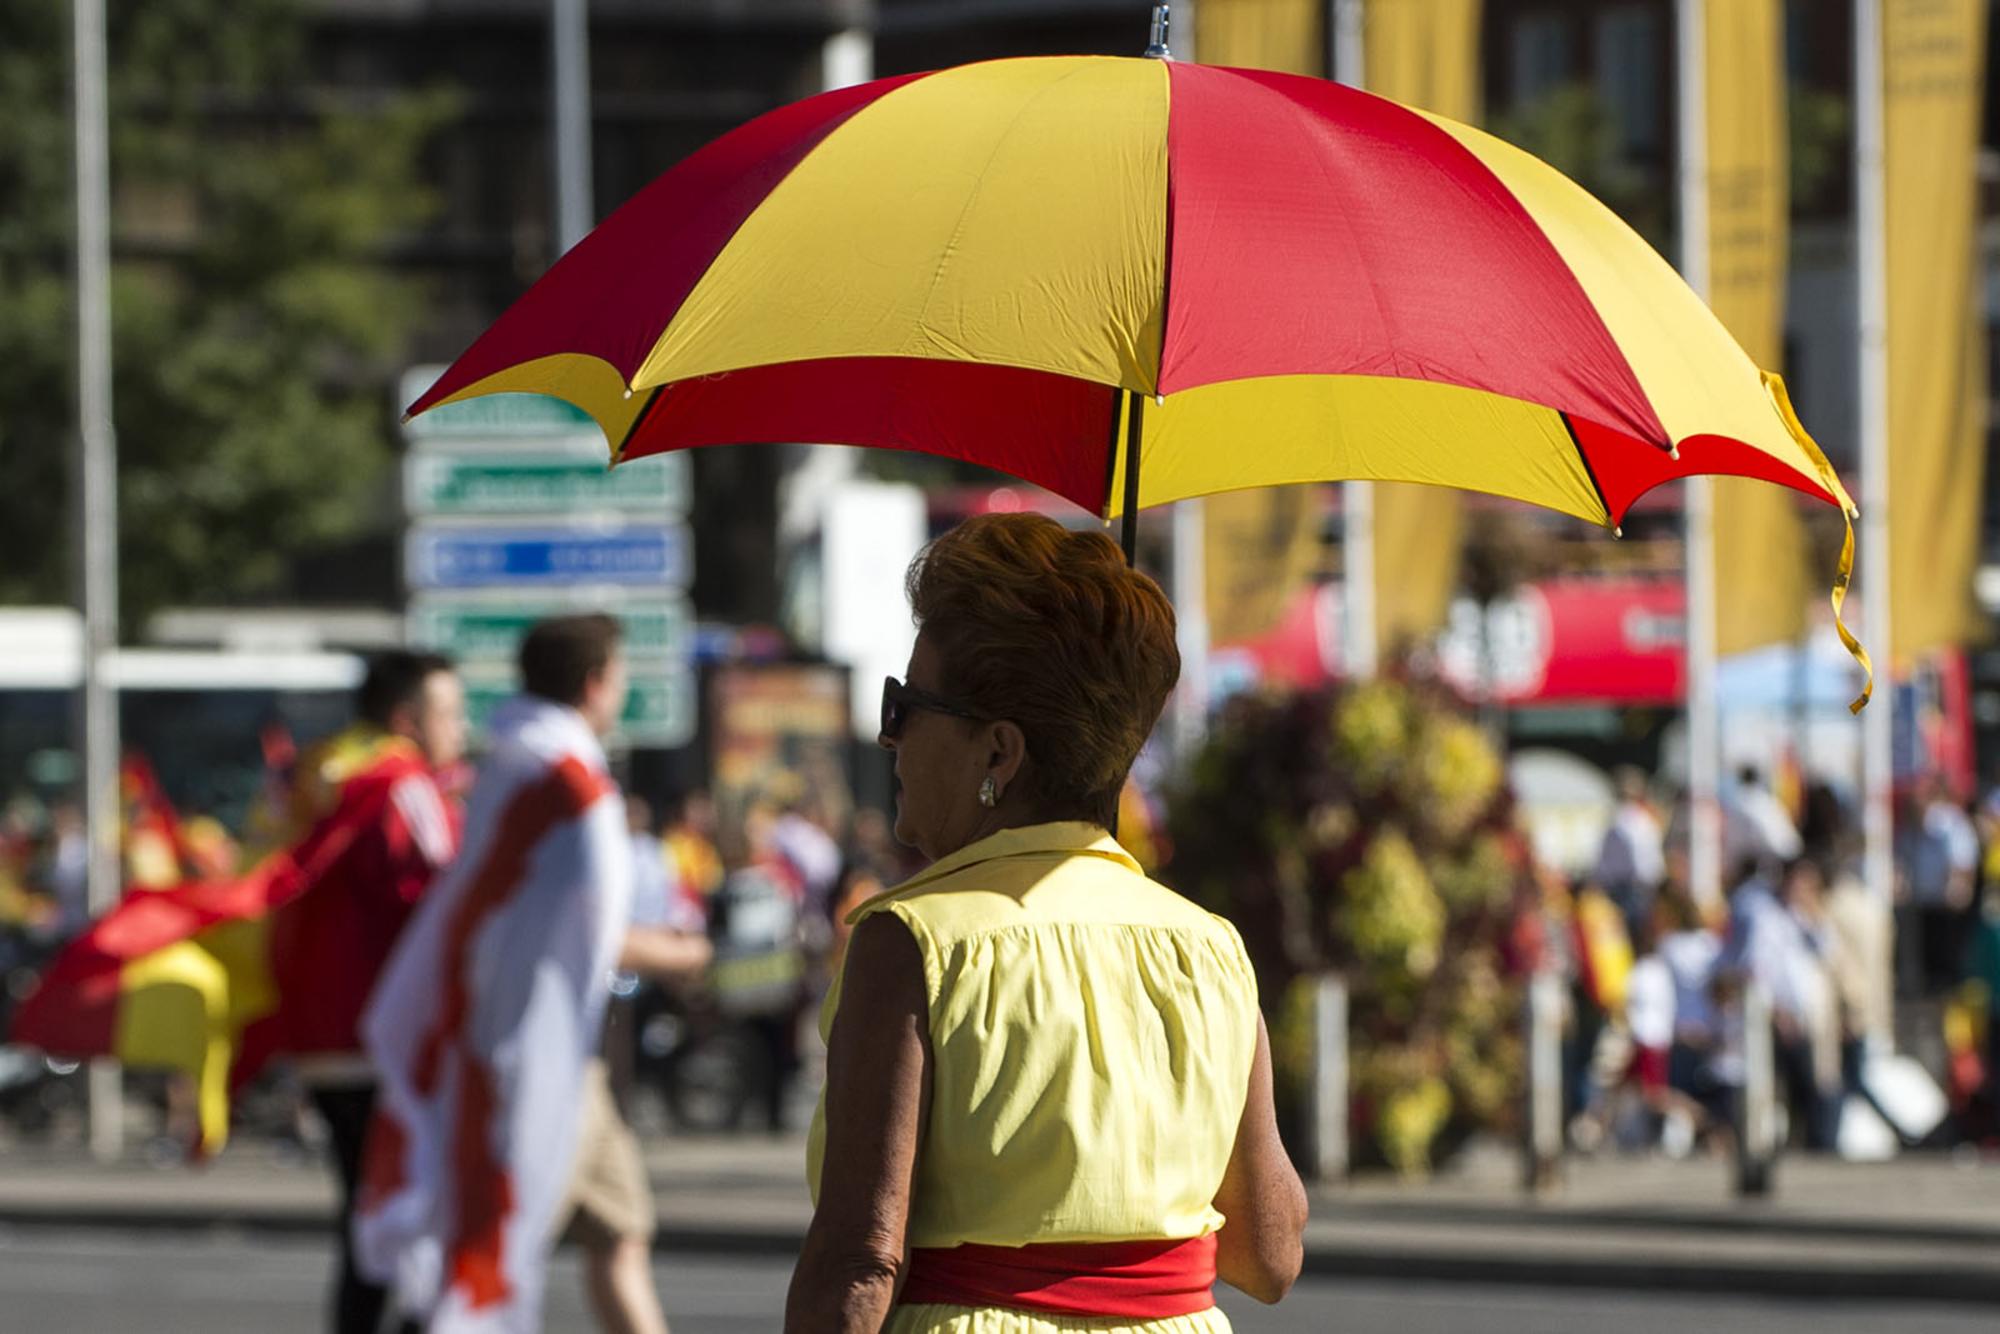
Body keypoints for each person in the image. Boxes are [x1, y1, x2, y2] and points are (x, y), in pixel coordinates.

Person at [787, 514, 1307, 1332]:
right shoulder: (1210, 950)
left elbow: (860, 1263)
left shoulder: (913, 941)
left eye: (906, 705)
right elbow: (1270, 1255)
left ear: (999, 752)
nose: (889, 738)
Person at [357, 615, 634, 1334]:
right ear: (596, 682)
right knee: (487, 1241)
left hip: (493, 1038)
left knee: (555, 1235)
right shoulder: (563, 786)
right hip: (520, 1049)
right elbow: (578, 933)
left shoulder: (515, 767)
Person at [1596, 767, 1665, 940]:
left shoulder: (1619, 821)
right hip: (1636, 889)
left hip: (1625, 889)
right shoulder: (1642, 821)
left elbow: (1603, 863)